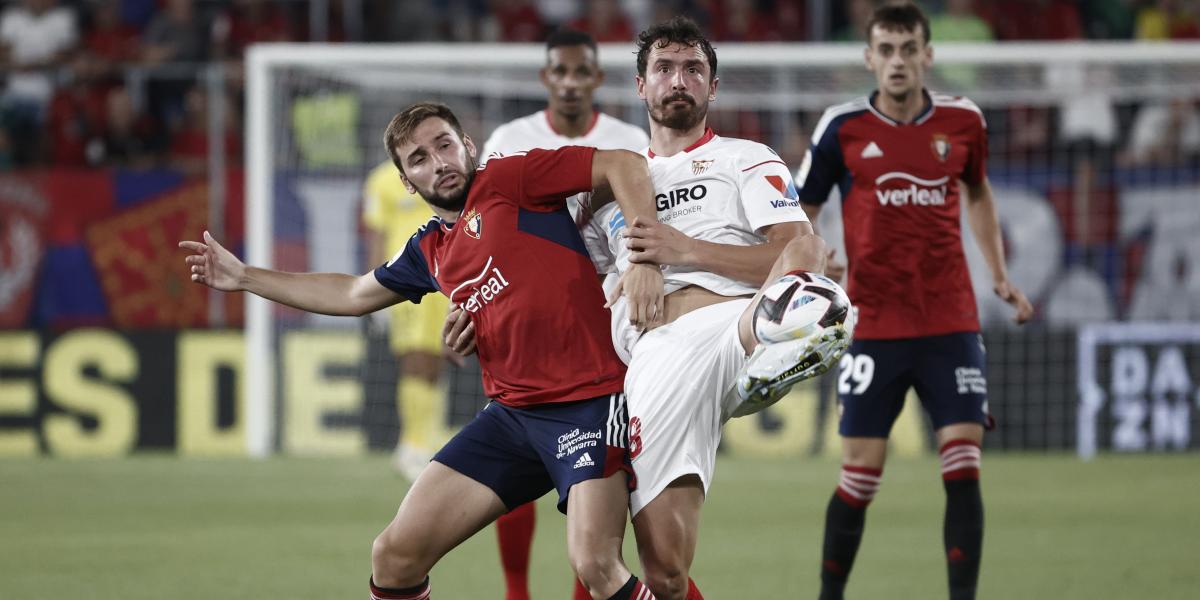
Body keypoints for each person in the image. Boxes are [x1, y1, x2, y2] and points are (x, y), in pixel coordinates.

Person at [181, 101, 666, 600]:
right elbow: (352, 294)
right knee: (394, 557)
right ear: (406, 182)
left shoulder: (510, 178)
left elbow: (623, 164)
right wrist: (245, 276)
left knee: (596, 565)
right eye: (418, 159)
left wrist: (645, 260)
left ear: (467, 146)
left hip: (589, 403)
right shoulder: (429, 249)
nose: (438, 163)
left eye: (444, 145)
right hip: (513, 417)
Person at [793, 4, 1033, 600]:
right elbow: (799, 209)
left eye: (908, 49)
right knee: (860, 476)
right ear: (869, 57)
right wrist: (818, 256)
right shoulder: (842, 127)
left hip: (950, 320)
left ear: (927, 55)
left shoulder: (963, 121)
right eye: (886, 50)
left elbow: (978, 192)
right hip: (873, 323)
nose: (897, 61)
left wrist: (999, 274)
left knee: (963, 465)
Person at [479, 27, 648, 600]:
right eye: (561, 71)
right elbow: (483, 229)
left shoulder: (628, 140)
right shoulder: (510, 140)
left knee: (598, 469)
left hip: (608, 317)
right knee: (514, 452)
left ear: (598, 78)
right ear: (545, 77)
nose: (571, 82)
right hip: (525, 317)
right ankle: (516, 592)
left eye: (581, 72)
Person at [361, 160, 453, 481]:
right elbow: (377, 235)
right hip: (405, 280)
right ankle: (412, 445)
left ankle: (423, 439)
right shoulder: (381, 180)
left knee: (436, 364)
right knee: (415, 360)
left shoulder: (444, 171)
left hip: (446, 278)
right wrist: (373, 290)